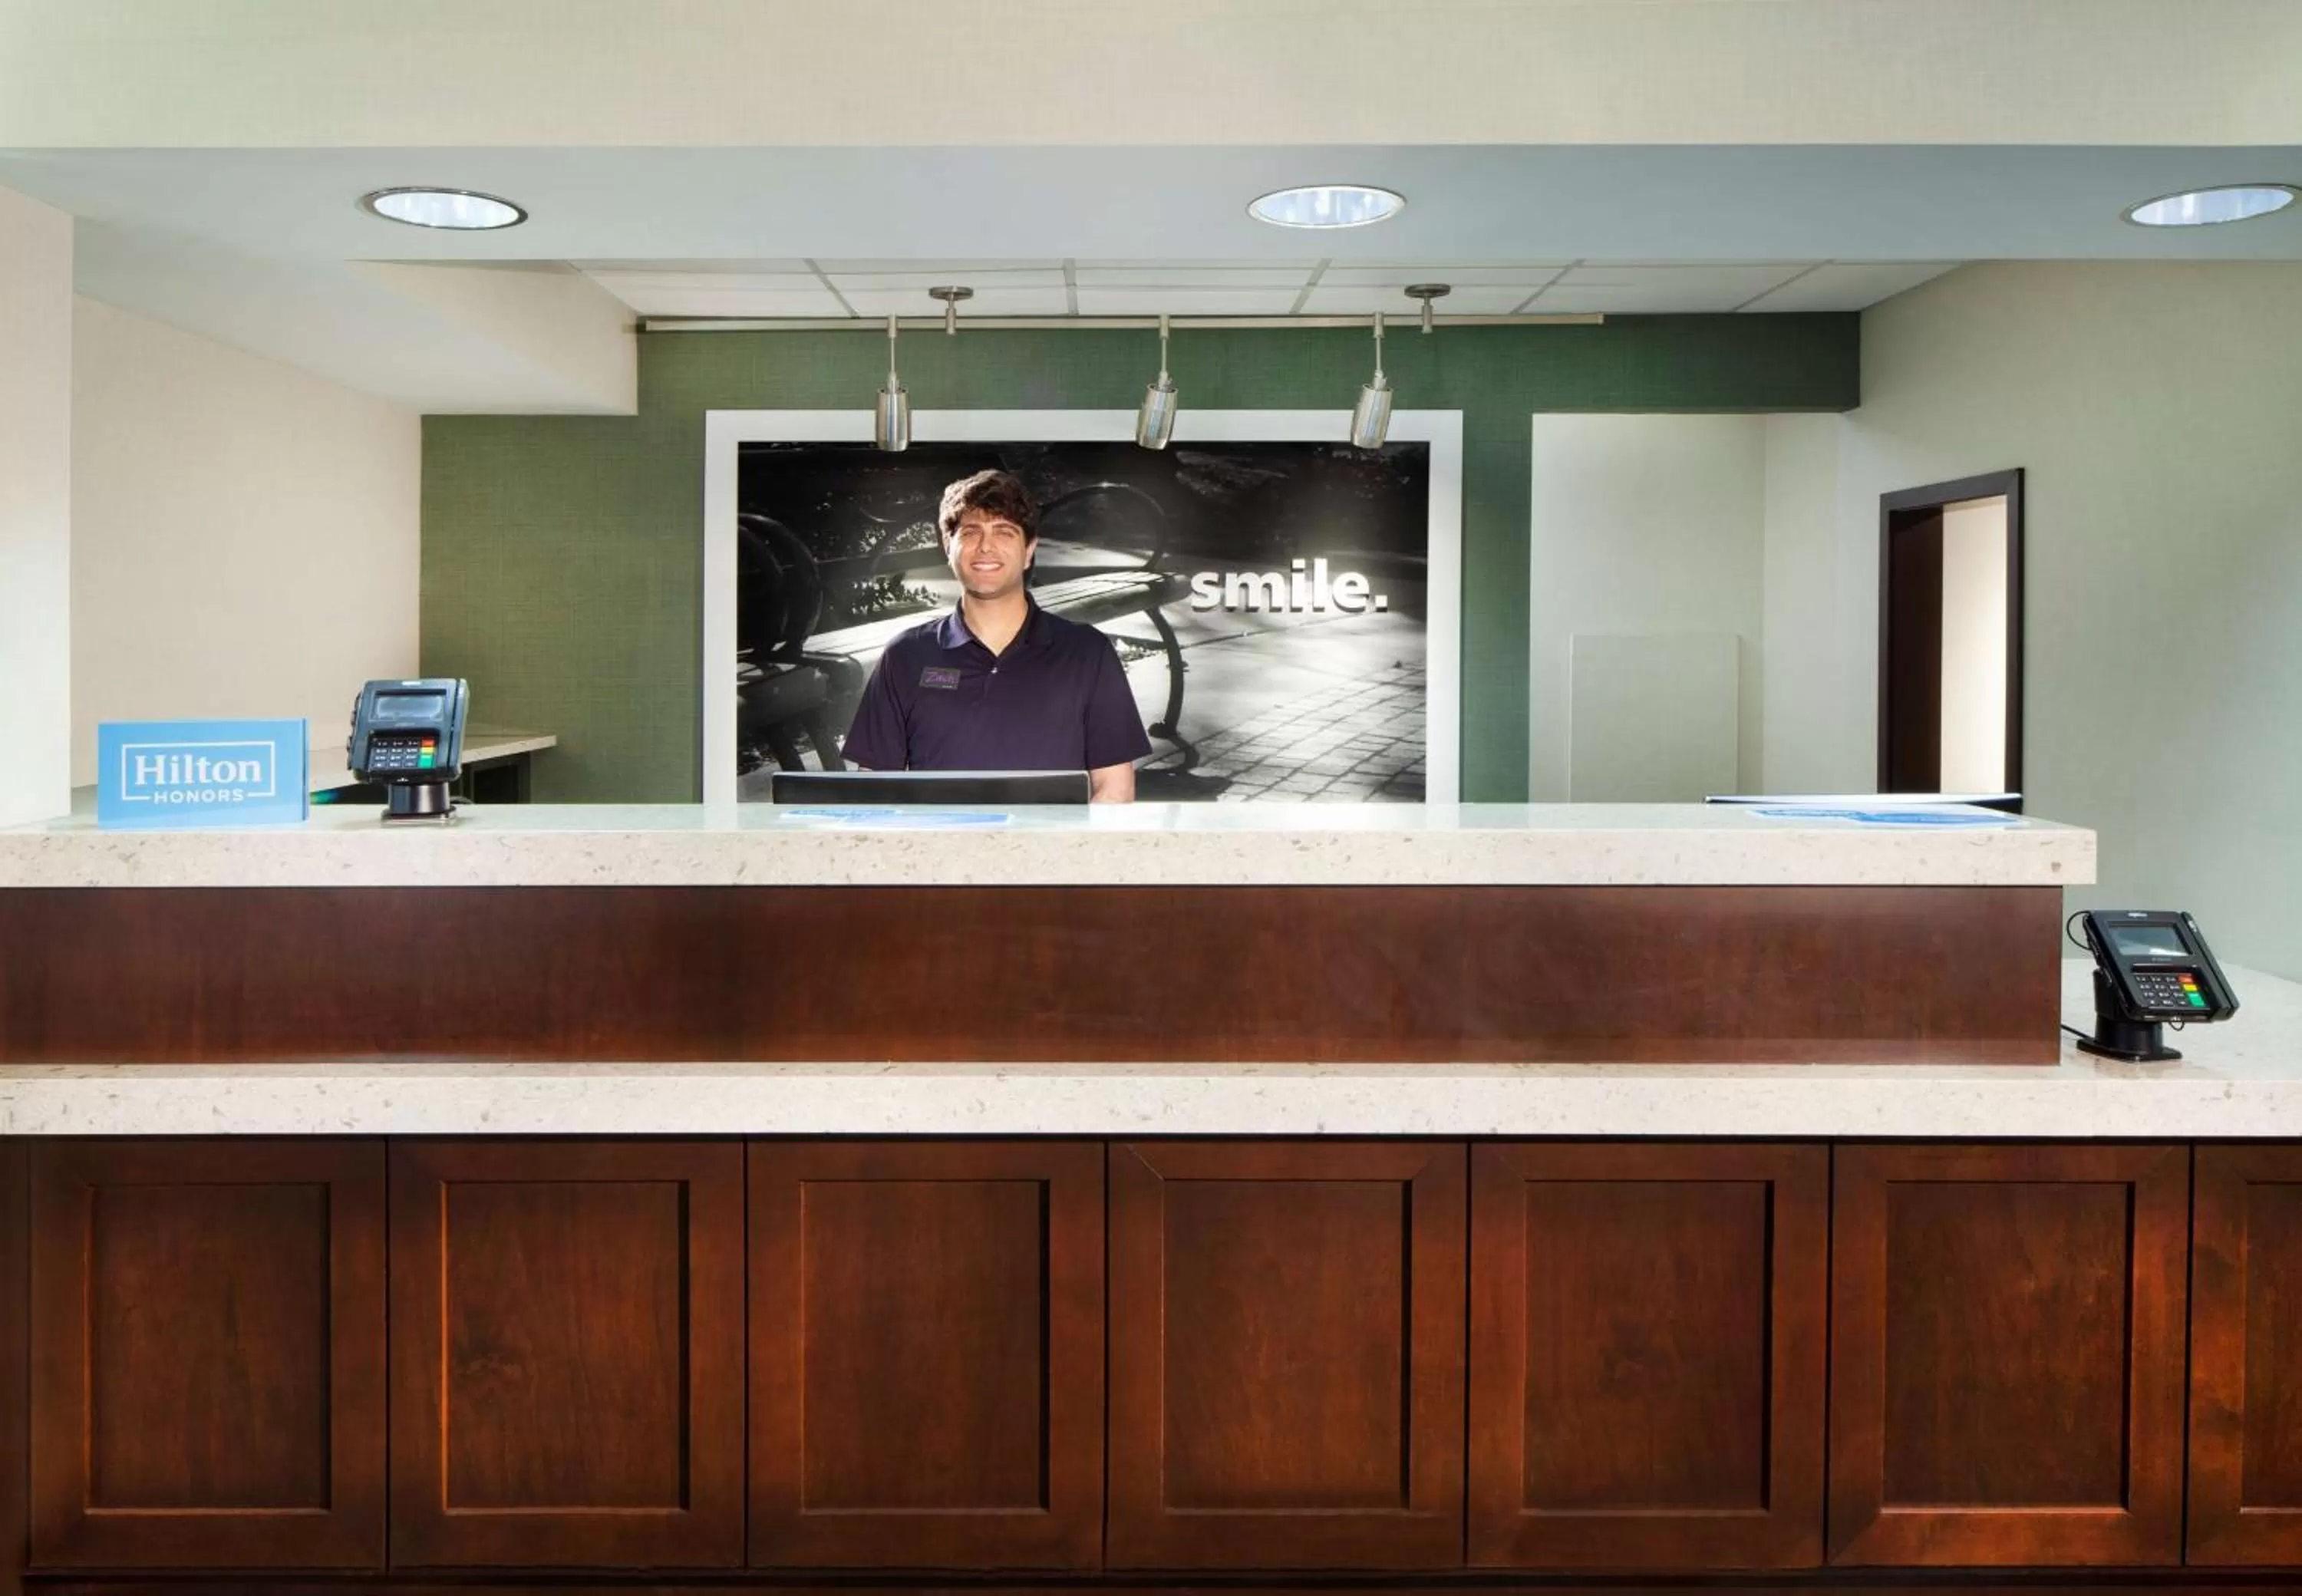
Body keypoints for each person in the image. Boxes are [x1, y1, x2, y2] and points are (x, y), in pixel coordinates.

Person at [841, 470, 1152, 801]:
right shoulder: (906, 655)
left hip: (1049, 850)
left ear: (1029, 550)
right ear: (948, 547)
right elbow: (873, 790)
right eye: (971, 532)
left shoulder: (1087, 652)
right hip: (939, 851)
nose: (986, 547)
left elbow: (1115, 789)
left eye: (1004, 532)